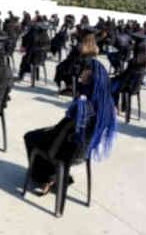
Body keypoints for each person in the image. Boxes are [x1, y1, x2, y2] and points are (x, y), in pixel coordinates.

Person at [24, 59, 116, 195]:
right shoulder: (106, 104)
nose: (81, 74)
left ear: (91, 76)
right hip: (85, 150)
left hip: (69, 149)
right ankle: (54, 175)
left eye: (84, 71)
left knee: (31, 137)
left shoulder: (84, 106)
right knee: (45, 135)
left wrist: (50, 131)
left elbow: (62, 129)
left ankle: (46, 177)